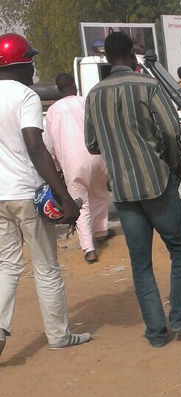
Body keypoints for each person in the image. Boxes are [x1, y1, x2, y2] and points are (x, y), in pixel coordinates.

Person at [84, 31, 181, 348]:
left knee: (141, 265)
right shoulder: (148, 86)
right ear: (132, 54)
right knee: (179, 249)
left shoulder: (94, 95)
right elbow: (170, 130)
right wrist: (173, 161)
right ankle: (180, 318)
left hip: (123, 192)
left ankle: (156, 332)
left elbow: (92, 144)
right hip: (156, 183)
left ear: (109, 58)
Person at [0, 33, 91, 357]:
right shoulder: (26, 96)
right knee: (46, 267)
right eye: (31, 61)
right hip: (26, 193)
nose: (34, 69)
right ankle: (58, 335)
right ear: (22, 64)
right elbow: (35, 147)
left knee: (7, 267)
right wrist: (63, 194)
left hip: (0, 197)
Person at [44, 73, 111, 265]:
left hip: (71, 163)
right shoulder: (85, 101)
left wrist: (56, 166)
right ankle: (101, 231)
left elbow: (49, 144)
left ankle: (89, 249)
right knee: (99, 193)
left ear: (58, 89)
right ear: (74, 85)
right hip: (95, 156)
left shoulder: (52, 111)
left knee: (80, 203)